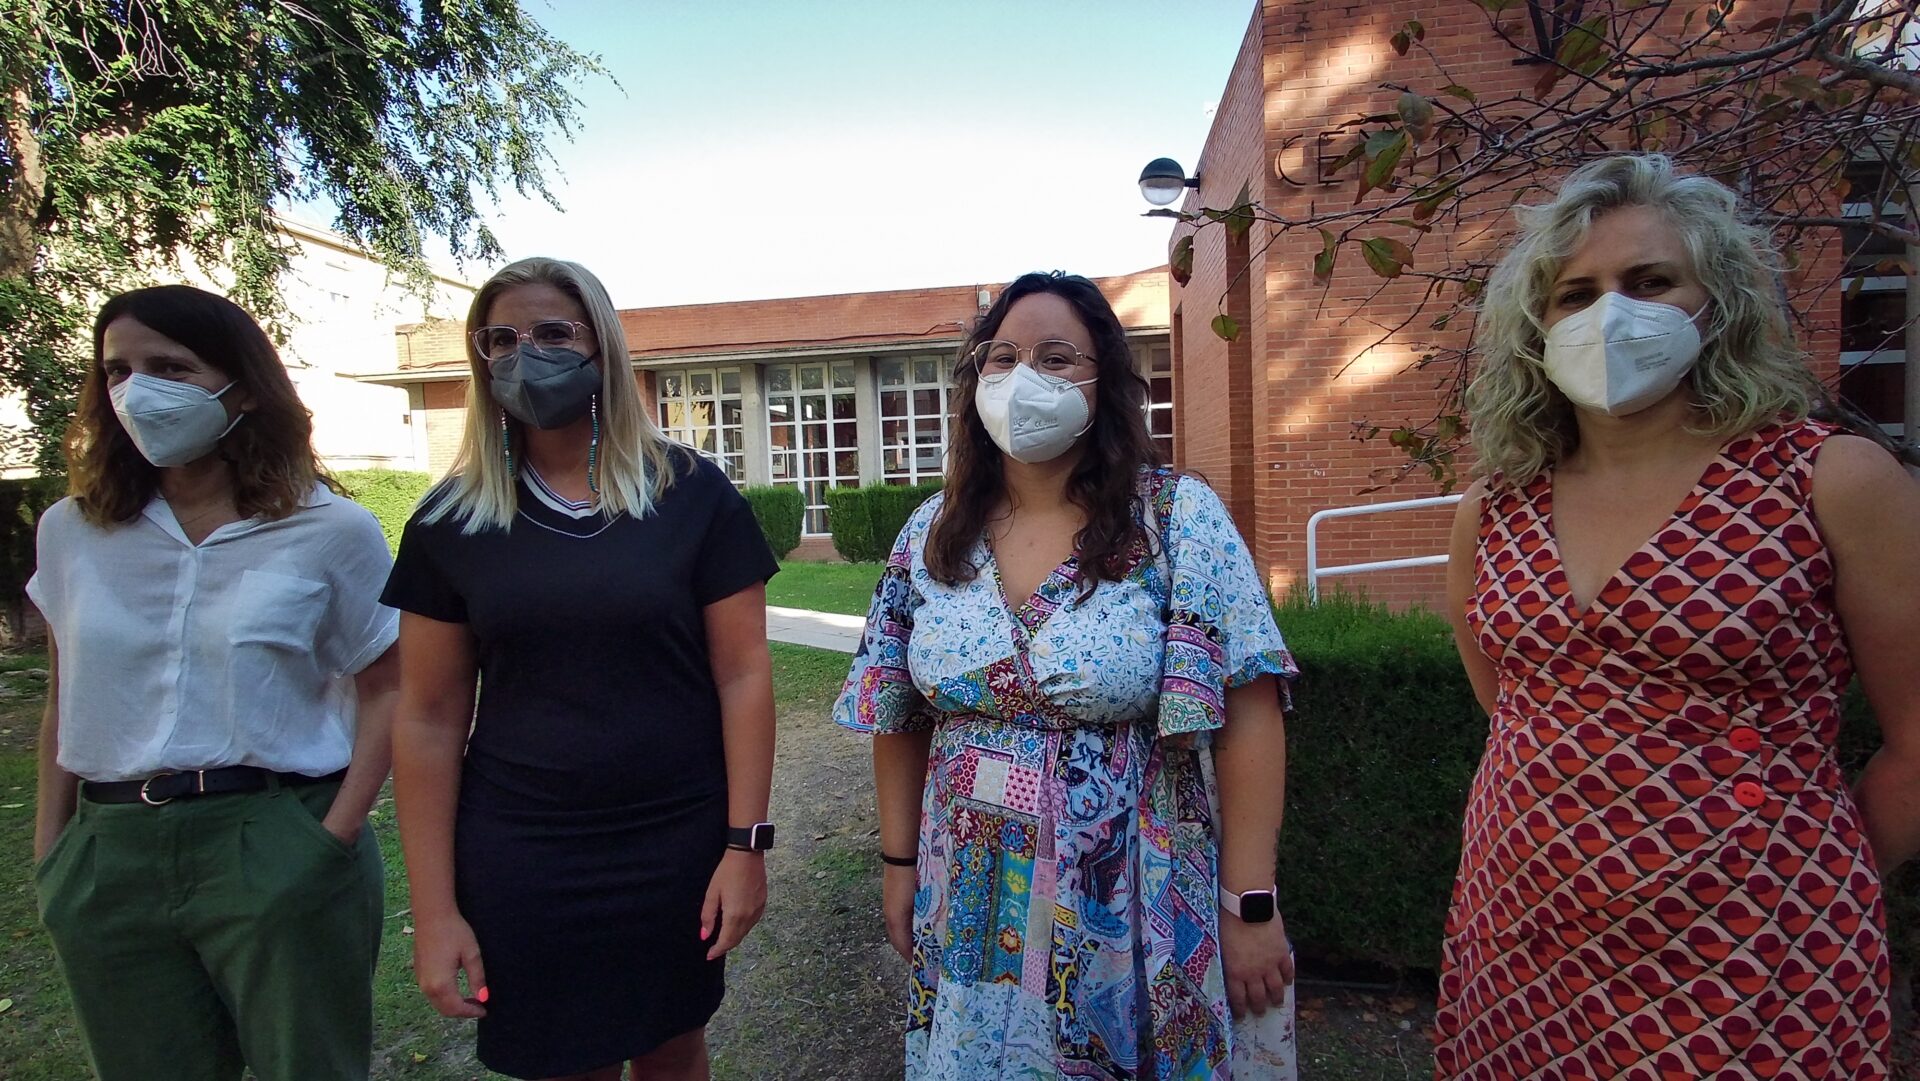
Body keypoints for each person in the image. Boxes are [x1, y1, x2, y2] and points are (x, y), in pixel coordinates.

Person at [1438, 154, 1920, 1079]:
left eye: (1650, 281)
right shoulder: (1493, 507)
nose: (1611, 313)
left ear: (1718, 301)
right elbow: (1516, 710)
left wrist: (1814, 867)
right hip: (1523, 939)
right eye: (1576, 294)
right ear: (1538, 326)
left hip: (1758, 949)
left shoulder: (1831, 480)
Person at [834, 270, 1300, 1079]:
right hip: (971, 897)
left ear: (1104, 380)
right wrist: (899, 865)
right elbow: (896, 714)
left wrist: (1248, 901)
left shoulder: (1177, 519)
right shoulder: (931, 534)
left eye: (1056, 358)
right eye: (1004, 357)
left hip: (1134, 901)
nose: (1025, 379)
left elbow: (1249, 708)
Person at [384, 256, 778, 1081]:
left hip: (674, 839)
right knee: (561, 1061)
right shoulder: (450, 522)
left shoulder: (692, 494)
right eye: (501, 339)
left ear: (602, 346)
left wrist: (745, 844)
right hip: (522, 851)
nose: (525, 354)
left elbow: (743, 675)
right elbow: (426, 718)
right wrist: (434, 907)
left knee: (673, 1047)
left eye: (553, 332)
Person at [29, 285, 399, 1081]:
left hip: (272, 831)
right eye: (118, 370)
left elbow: (390, 689)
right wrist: (53, 855)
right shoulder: (72, 531)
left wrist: (330, 838)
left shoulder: (328, 528)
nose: (139, 391)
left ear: (244, 387)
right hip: (110, 851)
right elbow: (65, 695)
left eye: (171, 368)